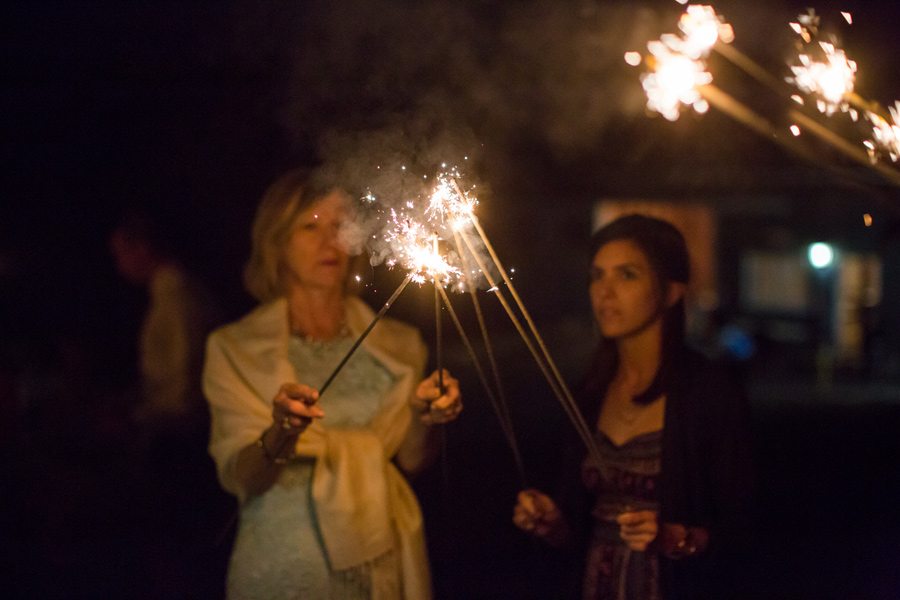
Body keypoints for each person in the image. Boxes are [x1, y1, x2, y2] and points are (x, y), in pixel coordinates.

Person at [202, 168, 462, 600]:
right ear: (277, 243)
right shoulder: (236, 348)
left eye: (340, 226)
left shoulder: (399, 344)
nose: (331, 241)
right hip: (284, 563)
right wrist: (283, 430)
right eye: (310, 226)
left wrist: (427, 416)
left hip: (377, 554)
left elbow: (414, 460)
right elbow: (245, 477)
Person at [513, 214, 753, 599]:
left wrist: (678, 538)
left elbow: (746, 527)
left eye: (626, 275)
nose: (604, 292)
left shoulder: (709, 394)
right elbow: (575, 523)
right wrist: (551, 521)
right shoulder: (591, 393)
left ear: (671, 292)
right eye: (597, 276)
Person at [109, 210, 223, 434]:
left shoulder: (177, 298)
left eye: (120, 254)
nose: (119, 265)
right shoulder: (168, 294)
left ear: (142, 248)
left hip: (181, 434)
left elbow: (185, 385)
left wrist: (139, 419)